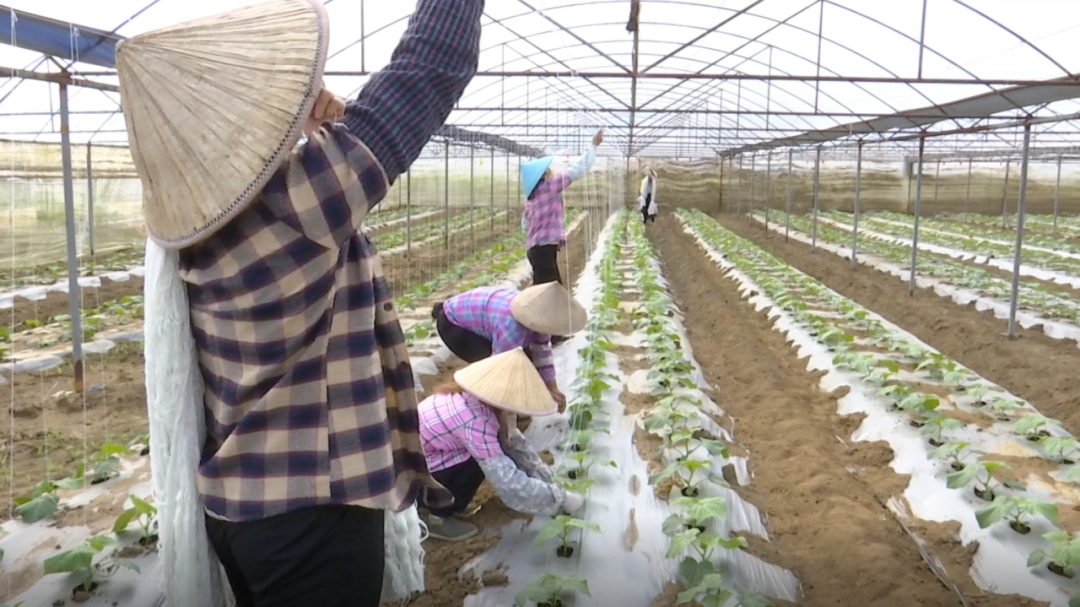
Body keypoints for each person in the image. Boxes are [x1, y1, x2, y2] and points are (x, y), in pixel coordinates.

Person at [123, 1, 482, 605]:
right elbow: (432, 67)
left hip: (243, 507)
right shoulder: (301, 205)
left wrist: (306, 131)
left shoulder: (194, 233)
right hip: (312, 515)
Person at [418, 348, 586, 541]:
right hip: (414, 475)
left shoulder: (475, 399)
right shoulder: (473, 420)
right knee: (482, 462)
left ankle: (448, 500)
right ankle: (435, 514)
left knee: (493, 451)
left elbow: (514, 443)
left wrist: (549, 481)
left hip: (425, 460)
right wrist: (561, 499)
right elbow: (508, 483)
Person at [432, 282, 586, 412]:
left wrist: (552, 388)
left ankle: (501, 410)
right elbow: (500, 368)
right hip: (452, 323)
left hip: (480, 316)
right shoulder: (512, 326)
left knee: (525, 362)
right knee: (491, 371)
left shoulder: (538, 314)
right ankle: (476, 412)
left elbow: (542, 352)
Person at [520, 129, 604, 287]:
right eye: (548, 172)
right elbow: (578, 169)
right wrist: (592, 145)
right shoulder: (550, 187)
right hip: (544, 251)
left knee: (548, 288)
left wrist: (540, 229)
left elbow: (525, 224)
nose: (552, 173)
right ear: (543, 176)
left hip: (535, 250)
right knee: (550, 292)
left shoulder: (530, 197)